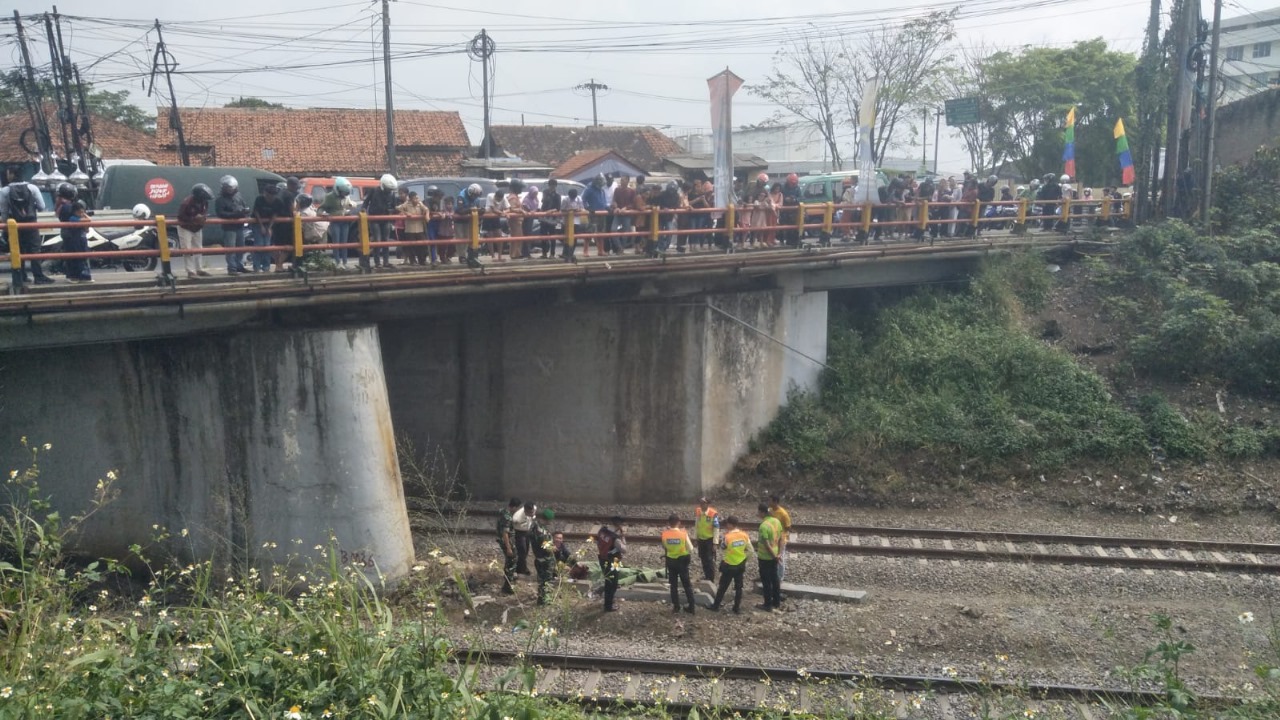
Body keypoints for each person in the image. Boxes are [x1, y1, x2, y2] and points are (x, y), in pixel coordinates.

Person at [0, 173, 53, 285]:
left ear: (10, 176)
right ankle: (38, 277)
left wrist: (6, 226)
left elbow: (4, 211)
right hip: (30, 223)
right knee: (35, 250)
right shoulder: (32, 188)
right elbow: (42, 206)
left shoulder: (4, 191)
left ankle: (20, 276)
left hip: (14, 224)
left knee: (17, 250)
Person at [708, 516, 751, 614]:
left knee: (722, 587)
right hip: (740, 565)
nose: (726, 525)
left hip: (729, 565)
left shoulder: (727, 537)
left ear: (731, 524)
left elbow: (723, 547)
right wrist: (744, 559)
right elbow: (750, 550)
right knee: (739, 587)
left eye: (727, 524)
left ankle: (716, 606)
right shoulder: (744, 535)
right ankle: (736, 608)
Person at [176, 183, 214, 279]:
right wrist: (193, 218)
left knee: (198, 248)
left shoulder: (204, 202)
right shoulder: (187, 202)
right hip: (185, 227)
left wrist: (202, 218)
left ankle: (199, 269)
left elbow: (204, 212)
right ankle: (190, 271)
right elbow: (180, 217)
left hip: (197, 227)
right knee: (187, 250)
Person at [661, 513, 695, 615]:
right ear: (679, 523)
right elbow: (691, 549)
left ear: (669, 523)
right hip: (682, 561)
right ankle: (691, 607)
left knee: (673, 585)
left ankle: (676, 607)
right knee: (687, 585)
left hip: (671, 561)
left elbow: (664, 546)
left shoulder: (664, 534)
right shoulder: (683, 534)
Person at [318, 178, 357, 269]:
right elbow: (320, 208)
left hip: (345, 222)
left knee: (344, 243)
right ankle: (337, 261)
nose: (345, 194)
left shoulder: (346, 196)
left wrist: (351, 206)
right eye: (344, 192)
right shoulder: (329, 197)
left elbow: (351, 203)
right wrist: (323, 214)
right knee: (337, 242)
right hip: (335, 222)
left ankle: (345, 261)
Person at [215, 175, 249, 275]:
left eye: (232, 188)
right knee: (231, 248)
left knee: (241, 247)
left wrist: (244, 211)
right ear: (224, 188)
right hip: (229, 227)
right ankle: (232, 268)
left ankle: (239, 265)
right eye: (229, 188)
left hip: (239, 225)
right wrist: (235, 214)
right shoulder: (220, 199)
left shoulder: (238, 196)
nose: (231, 190)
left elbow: (244, 205)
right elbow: (221, 213)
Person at [363, 174, 398, 269]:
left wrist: (391, 211)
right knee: (377, 240)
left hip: (386, 219)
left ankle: (386, 261)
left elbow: (394, 206)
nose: (389, 191)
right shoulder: (374, 191)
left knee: (385, 240)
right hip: (374, 218)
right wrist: (363, 210)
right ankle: (377, 262)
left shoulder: (392, 194)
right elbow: (366, 202)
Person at [250, 183, 286, 273]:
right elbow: (256, 212)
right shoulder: (259, 199)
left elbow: (275, 214)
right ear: (265, 193)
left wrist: (270, 227)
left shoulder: (277, 201)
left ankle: (266, 267)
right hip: (257, 222)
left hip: (269, 223)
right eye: (269, 195)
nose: (271, 197)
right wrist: (261, 226)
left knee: (267, 245)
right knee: (259, 244)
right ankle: (256, 267)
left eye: (273, 195)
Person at [595, 516, 626, 612]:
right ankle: (608, 605)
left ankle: (609, 601)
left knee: (608, 581)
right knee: (612, 583)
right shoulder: (615, 538)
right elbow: (624, 550)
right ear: (618, 525)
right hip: (613, 561)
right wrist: (623, 536)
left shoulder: (602, 531)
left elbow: (597, 542)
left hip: (602, 559)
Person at [756, 503, 783, 612]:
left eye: (758, 511)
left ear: (762, 512)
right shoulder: (776, 521)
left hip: (765, 558)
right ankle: (776, 602)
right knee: (775, 579)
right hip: (775, 554)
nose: (757, 513)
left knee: (766, 581)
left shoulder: (763, 526)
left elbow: (766, 545)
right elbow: (781, 539)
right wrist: (779, 554)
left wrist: (774, 556)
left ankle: (767, 604)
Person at [58, 198, 92, 283]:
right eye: (79, 212)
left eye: (82, 212)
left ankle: (84, 276)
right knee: (76, 259)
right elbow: (89, 220)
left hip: (82, 241)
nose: (81, 214)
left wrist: (84, 215)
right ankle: (75, 276)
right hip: (76, 241)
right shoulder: (73, 219)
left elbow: (87, 228)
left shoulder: (78, 218)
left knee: (83, 258)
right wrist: (85, 215)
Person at [531, 508, 557, 606]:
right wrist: (553, 547)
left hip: (539, 558)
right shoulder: (542, 532)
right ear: (548, 520)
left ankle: (541, 599)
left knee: (541, 580)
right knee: (546, 581)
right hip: (545, 560)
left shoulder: (535, 526)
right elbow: (547, 547)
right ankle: (544, 600)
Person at [397, 190, 429, 266]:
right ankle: (413, 261)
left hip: (419, 228)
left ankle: (422, 260)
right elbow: (398, 208)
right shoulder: (407, 204)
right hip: (410, 229)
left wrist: (427, 215)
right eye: (415, 198)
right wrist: (405, 213)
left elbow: (426, 209)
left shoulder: (420, 203)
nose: (417, 200)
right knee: (411, 246)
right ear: (410, 199)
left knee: (422, 245)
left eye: (417, 198)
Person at [497, 498, 520, 595]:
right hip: (508, 542)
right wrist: (509, 547)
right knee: (512, 561)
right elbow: (505, 533)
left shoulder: (503, 512)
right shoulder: (508, 517)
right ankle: (507, 587)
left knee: (509, 561)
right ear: (514, 507)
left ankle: (508, 578)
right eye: (517, 508)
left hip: (505, 541)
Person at [693, 497, 720, 582]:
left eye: (703, 503)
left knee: (709, 559)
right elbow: (696, 525)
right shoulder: (698, 511)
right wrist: (696, 538)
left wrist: (715, 543)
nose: (701, 504)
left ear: (708, 504)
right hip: (701, 539)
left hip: (709, 540)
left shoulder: (713, 513)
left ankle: (711, 578)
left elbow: (716, 528)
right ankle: (706, 576)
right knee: (703, 558)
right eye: (700, 503)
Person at [769, 494, 793, 584]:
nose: (769, 503)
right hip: (773, 538)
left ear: (775, 502)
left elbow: (788, 527)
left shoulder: (783, 513)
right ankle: (773, 575)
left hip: (781, 539)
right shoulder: (771, 511)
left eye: (770, 501)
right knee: (773, 557)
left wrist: (782, 534)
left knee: (780, 557)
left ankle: (780, 578)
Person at [583, 174, 610, 255]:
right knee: (589, 232)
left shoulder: (602, 190)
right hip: (593, 213)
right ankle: (585, 251)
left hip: (602, 213)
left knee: (601, 232)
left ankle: (601, 250)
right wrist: (588, 208)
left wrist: (608, 208)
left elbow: (604, 202)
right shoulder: (589, 189)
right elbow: (583, 200)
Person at [611, 176, 637, 254]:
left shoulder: (631, 191)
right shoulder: (617, 190)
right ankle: (619, 247)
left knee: (626, 233)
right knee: (613, 230)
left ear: (627, 181)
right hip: (618, 213)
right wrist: (616, 207)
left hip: (627, 214)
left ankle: (622, 248)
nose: (622, 182)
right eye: (621, 180)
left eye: (623, 180)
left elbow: (633, 203)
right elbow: (614, 200)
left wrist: (626, 208)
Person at [512, 501, 537, 576]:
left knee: (526, 551)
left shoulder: (534, 508)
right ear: (525, 510)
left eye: (532, 512)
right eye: (529, 513)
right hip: (520, 532)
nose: (531, 514)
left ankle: (520, 567)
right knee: (522, 550)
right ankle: (522, 569)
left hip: (527, 531)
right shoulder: (517, 517)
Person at [539, 178, 562, 259]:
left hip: (552, 218)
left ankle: (552, 254)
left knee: (553, 237)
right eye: (551, 185)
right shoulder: (545, 192)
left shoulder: (557, 195)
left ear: (555, 186)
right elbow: (543, 202)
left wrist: (551, 210)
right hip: (544, 217)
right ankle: (544, 253)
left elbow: (558, 208)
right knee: (543, 236)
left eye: (553, 186)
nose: (552, 187)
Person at [562, 188, 584, 262]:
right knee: (567, 239)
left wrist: (578, 210)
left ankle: (570, 254)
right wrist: (570, 210)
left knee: (575, 239)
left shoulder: (579, 199)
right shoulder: (565, 200)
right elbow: (562, 209)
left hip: (576, 221)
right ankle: (566, 253)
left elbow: (582, 208)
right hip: (567, 222)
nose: (573, 198)